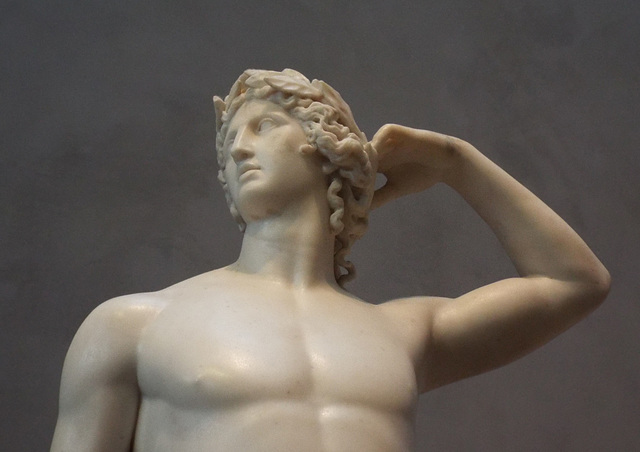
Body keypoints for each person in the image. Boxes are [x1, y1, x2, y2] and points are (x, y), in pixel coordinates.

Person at [51, 69, 610, 452]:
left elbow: (575, 281)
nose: (239, 148)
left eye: (264, 125)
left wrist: (455, 163)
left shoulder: (402, 333)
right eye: (229, 145)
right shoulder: (134, 325)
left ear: (327, 144)